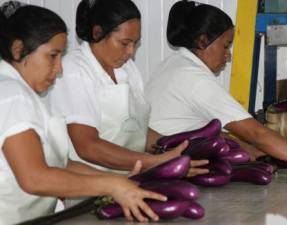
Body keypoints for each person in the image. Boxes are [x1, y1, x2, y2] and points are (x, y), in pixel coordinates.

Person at [0, 2, 166, 224]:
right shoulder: (12, 94)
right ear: (19, 49)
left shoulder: (23, 94)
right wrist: (110, 184)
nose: (59, 69)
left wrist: (119, 180)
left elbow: (62, 164)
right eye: (53, 55)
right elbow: (34, 178)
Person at [145, 1, 287, 173]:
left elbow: (194, 129)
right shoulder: (195, 79)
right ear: (203, 41)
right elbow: (257, 134)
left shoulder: (173, 65)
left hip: (158, 160)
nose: (228, 55)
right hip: (166, 166)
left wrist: (247, 148)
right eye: (225, 45)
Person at [47, 0, 208, 174]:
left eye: (135, 44)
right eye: (124, 43)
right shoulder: (74, 70)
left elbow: (136, 129)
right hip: (85, 187)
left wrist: (175, 149)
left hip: (127, 178)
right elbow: (88, 146)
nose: (131, 52)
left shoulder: (127, 69)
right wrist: (154, 162)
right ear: (97, 33)